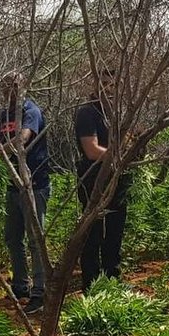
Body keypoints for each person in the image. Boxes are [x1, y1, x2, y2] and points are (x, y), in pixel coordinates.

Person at [74, 66, 130, 292]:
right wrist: (122, 156)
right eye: (104, 84)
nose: (108, 89)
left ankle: (112, 279)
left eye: (113, 85)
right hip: (93, 179)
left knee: (115, 231)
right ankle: (91, 284)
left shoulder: (116, 113)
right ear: (95, 85)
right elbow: (92, 150)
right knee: (93, 232)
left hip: (118, 179)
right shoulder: (88, 113)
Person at [0, 72, 50, 315]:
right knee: (12, 236)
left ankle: (41, 291)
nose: (10, 90)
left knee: (35, 240)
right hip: (12, 185)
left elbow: (23, 139)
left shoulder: (31, 111)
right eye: (6, 86)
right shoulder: (3, 115)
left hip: (33, 184)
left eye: (15, 86)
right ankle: (21, 285)